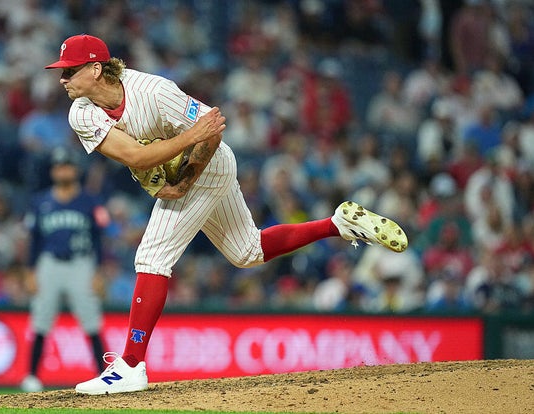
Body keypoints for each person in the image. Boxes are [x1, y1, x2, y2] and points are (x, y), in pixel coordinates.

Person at [44, 34, 408, 395]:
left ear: (95, 69)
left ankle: (131, 365)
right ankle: (338, 224)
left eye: (69, 71)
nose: (62, 79)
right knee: (247, 252)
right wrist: (185, 151)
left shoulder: (154, 92)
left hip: (212, 164)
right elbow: (135, 157)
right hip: (188, 169)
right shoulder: (81, 112)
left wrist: (185, 177)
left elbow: (212, 133)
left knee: (152, 256)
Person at [20, 146, 108, 392]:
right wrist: (29, 271)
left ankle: (104, 375)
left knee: (91, 320)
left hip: (81, 263)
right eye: (59, 166)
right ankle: (31, 376)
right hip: (49, 264)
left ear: (75, 169)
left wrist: (99, 272)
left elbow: (100, 240)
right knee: (41, 318)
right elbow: (34, 240)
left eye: (67, 165)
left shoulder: (90, 201)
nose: (63, 170)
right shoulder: (40, 202)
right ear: (53, 171)